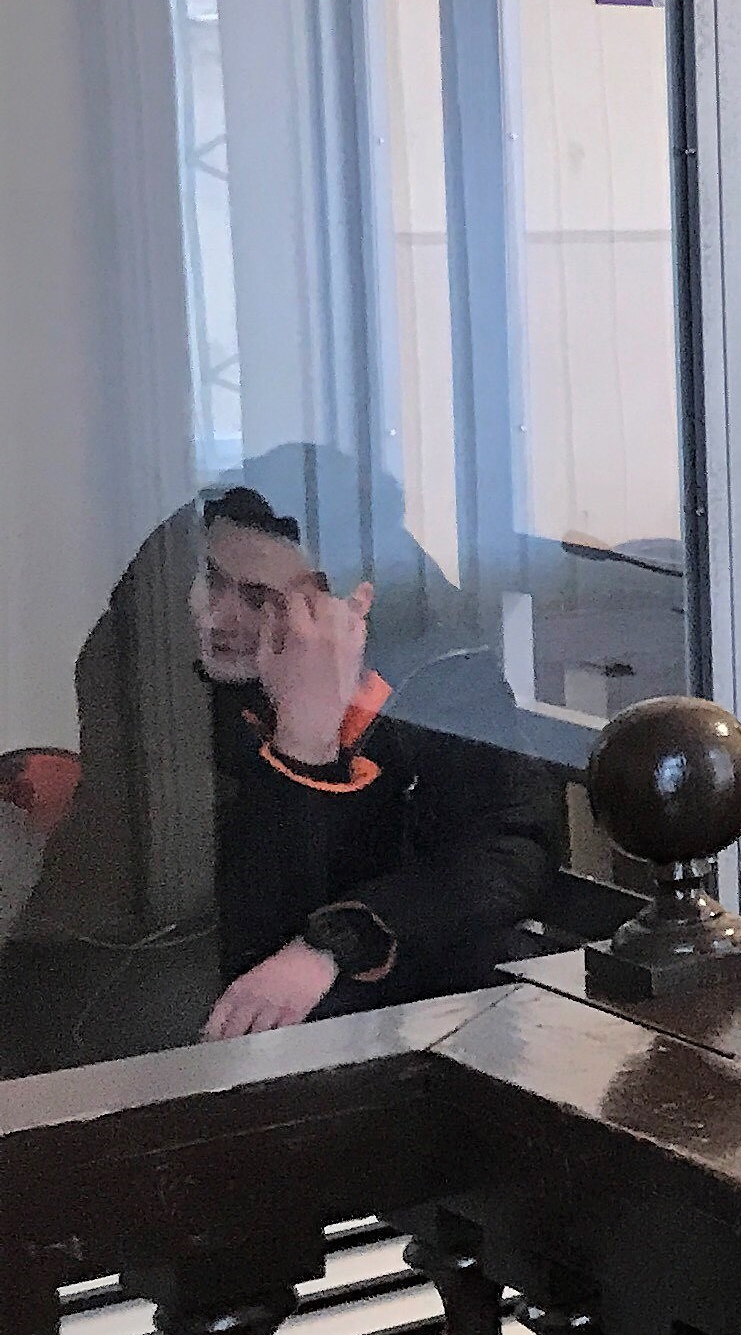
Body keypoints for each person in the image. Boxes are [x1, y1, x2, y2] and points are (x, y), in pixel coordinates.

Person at [0, 455, 562, 1074]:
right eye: (213, 580)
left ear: (353, 606)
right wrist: (303, 737)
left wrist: (339, 940)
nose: (217, 618)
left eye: (258, 599)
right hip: (153, 973)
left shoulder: (441, 675)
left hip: (381, 993)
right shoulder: (151, 652)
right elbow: (233, 918)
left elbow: (508, 848)